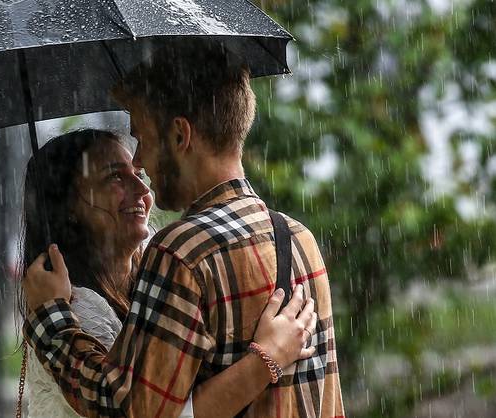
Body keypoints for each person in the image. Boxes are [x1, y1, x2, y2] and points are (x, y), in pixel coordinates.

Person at [22, 40, 345, 418]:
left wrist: (50, 321)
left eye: (142, 137)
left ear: (179, 136)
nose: (141, 161)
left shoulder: (183, 253)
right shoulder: (297, 238)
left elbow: (132, 411)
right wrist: (264, 362)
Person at [18, 129, 317, 418]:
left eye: (138, 175)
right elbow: (146, 411)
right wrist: (266, 359)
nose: (142, 190)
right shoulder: (80, 308)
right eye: (114, 177)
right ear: (68, 206)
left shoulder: (158, 275)